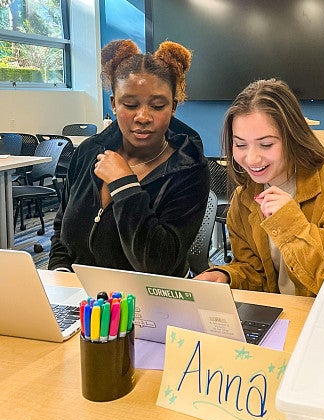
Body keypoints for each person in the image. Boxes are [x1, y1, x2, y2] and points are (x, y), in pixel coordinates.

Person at [195, 79, 324, 297]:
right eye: (240, 144)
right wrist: (227, 277)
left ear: (293, 138)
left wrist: (294, 228)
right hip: (283, 320)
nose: (251, 158)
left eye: (266, 144)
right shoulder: (244, 197)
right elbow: (257, 273)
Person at [48, 39, 210, 277]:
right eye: (130, 104)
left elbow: (158, 265)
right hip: (86, 304)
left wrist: (124, 185)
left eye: (157, 106)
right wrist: (60, 275)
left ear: (173, 107)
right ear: (114, 104)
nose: (142, 117)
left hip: (155, 304)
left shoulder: (188, 169)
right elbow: (62, 228)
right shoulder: (88, 153)